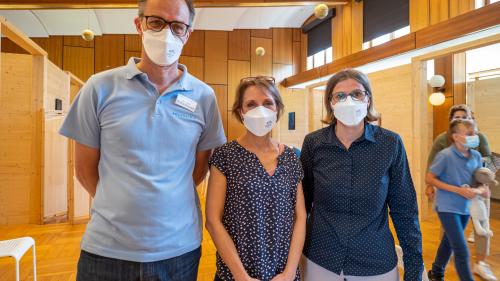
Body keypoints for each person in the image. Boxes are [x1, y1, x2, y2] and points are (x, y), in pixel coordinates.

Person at [59, 0, 226, 280]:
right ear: (139, 25)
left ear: (188, 33)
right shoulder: (99, 88)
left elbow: (198, 170)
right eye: (156, 22)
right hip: (107, 251)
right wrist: (121, 203)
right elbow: (84, 169)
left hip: (179, 252)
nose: (167, 34)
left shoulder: (204, 97)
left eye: (177, 26)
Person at [300, 69, 423, 281]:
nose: (349, 101)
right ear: (330, 103)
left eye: (357, 94)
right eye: (340, 95)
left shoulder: (390, 144)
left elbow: (405, 209)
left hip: (374, 261)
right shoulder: (314, 143)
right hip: (321, 257)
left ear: (368, 100)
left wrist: (414, 270)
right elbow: (301, 205)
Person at [205, 76, 307, 281]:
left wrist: (289, 273)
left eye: (267, 103)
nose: (260, 110)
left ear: (277, 109)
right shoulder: (225, 156)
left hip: (283, 272)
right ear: (240, 112)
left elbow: (300, 217)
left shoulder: (291, 157)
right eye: (251, 104)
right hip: (237, 273)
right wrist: (241, 276)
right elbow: (213, 221)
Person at [425, 104, 496, 281]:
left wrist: (481, 189)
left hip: (467, 206)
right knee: (461, 248)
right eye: (469, 134)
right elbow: (430, 176)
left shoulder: (476, 156)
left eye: (475, 133)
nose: (474, 137)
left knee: (448, 241)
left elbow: (483, 176)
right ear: (456, 136)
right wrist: (455, 189)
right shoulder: (445, 154)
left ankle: (436, 272)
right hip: (447, 206)